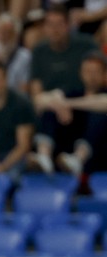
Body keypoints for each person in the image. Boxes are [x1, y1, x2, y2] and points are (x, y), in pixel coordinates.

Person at [32, 50, 107, 178]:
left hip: (98, 155)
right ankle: (44, 155)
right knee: (51, 109)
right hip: (65, 152)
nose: (91, 76)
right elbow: (38, 100)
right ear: (81, 73)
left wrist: (67, 104)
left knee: (99, 115)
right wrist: (57, 102)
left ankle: (78, 158)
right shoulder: (74, 91)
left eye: (96, 72)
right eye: (88, 71)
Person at [29, 5, 98, 101]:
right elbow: (36, 89)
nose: (55, 29)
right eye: (50, 24)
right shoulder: (39, 51)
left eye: (59, 24)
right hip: (50, 105)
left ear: (68, 25)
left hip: (82, 102)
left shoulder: (86, 45)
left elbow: (98, 79)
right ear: (44, 28)